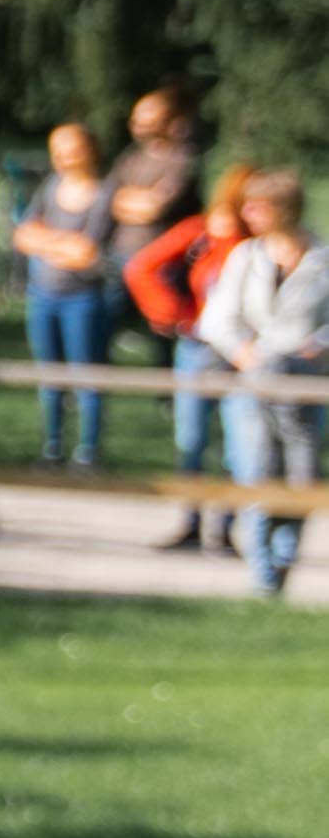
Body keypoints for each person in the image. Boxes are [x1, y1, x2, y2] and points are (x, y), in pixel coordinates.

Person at [195, 171, 325, 600]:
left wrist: (318, 345)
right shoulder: (246, 257)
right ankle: (263, 574)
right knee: (258, 472)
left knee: (302, 478)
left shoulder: (322, 259)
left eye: (257, 205)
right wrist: (242, 351)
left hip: (307, 385)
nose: (247, 214)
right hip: (255, 381)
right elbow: (218, 319)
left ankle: (284, 559)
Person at [127, 164, 253, 554]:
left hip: (244, 353)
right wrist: (173, 313)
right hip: (199, 348)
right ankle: (192, 524)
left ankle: (227, 529)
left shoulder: (261, 243)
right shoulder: (202, 233)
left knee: (239, 445)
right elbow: (141, 267)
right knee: (192, 440)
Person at [11, 121, 122, 468]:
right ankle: (52, 446)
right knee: (49, 375)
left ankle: (88, 451)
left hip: (83, 298)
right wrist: (60, 244)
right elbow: (24, 235)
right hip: (43, 295)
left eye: (70, 151)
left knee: (86, 375)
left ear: (89, 151)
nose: (63, 159)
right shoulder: (51, 187)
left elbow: (87, 253)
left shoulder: (104, 194)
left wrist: (46, 242)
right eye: (57, 152)